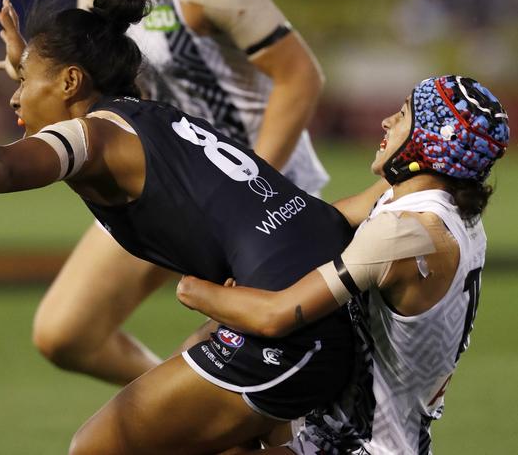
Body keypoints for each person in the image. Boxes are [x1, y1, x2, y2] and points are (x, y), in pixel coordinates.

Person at [0, 0, 357, 454]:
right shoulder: (146, 113)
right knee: (208, 435)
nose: (15, 99)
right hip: (319, 297)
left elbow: (2, 166)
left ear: (70, 82)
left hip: (290, 327)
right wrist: (29, 60)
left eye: (24, 83)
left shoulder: (94, 139)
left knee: (98, 448)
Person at [0, 0, 329, 385]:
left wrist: (249, 187)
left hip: (254, 191)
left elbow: (299, 77)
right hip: (163, 177)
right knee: (65, 332)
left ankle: (192, 410)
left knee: (253, 376)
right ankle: (178, 407)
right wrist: (29, 70)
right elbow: (94, 84)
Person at [177, 75, 510, 454]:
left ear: (431, 141)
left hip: (359, 446)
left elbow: (276, 315)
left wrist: (193, 288)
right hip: (354, 431)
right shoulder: (439, 206)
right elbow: (321, 224)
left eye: (403, 115)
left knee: (184, 430)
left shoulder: (405, 233)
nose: (386, 122)